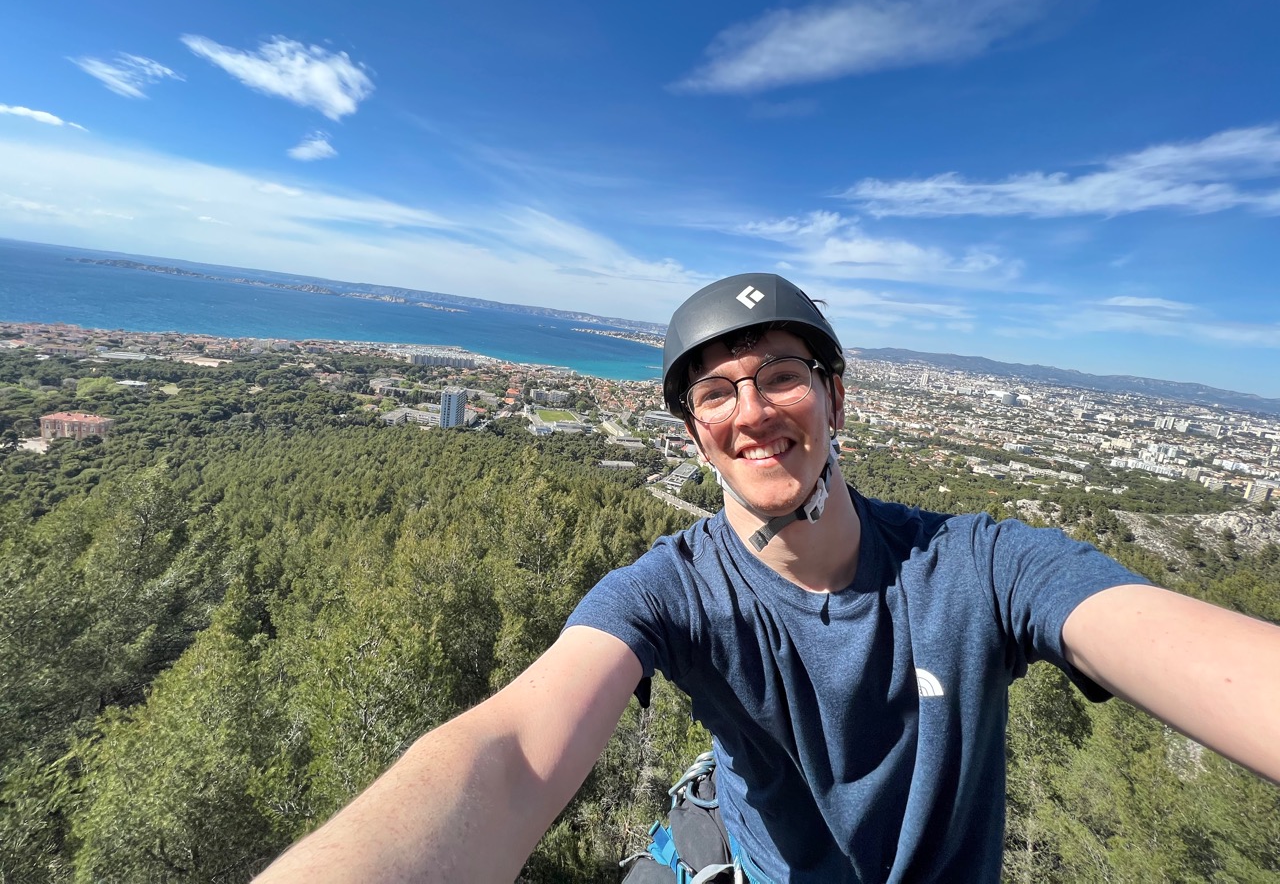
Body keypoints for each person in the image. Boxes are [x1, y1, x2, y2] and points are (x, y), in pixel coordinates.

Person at [254, 273, 1280, 883]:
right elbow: (513, 748)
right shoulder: (668, 592)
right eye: (715, 391)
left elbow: (1164, 639)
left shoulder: (980, 565)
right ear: (696, 431)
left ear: (834, 398)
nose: (750, 409)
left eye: (779, 374)